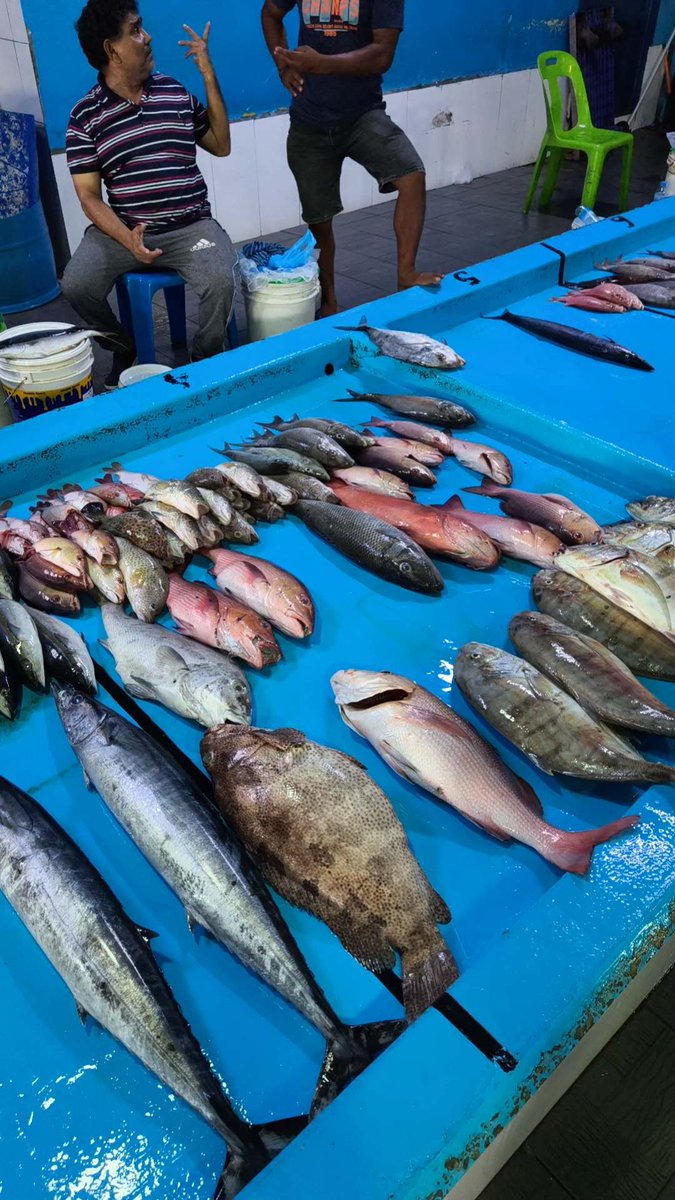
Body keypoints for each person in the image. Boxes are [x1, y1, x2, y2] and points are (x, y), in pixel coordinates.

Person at [63, 1, 236, 387]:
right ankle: (122, 344)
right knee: (76, 283)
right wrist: (127, 238)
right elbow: (89, 197)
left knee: (222, 278)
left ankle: (204, 360)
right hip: (123, 231)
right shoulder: (85, 117)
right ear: (112, 49)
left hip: (189, 226)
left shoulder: (174, 92)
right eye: (136, 29)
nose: (148, 36)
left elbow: (221, 144)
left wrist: (208, 75)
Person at [261, 0, 443, 317]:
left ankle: (406, 275)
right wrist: (283, 66)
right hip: (309, 120)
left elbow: (382, 54)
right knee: (319, 219)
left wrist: (322, 64)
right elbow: (271, 13)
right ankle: (329, 300)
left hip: (362, 114)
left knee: (411, 175)